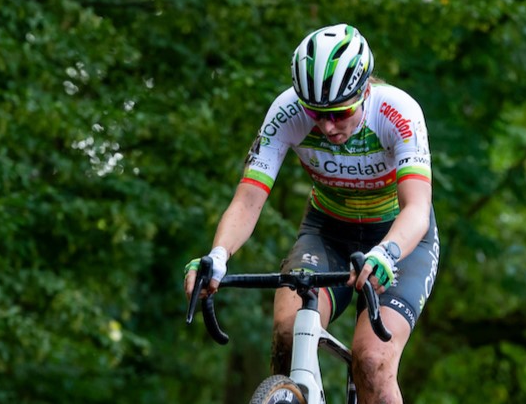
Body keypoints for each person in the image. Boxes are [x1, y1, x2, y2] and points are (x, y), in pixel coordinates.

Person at [184, 23, 440, 403]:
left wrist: (386, 253)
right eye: (316, 113)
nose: (327, 126)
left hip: (399, 239)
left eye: (339, 112)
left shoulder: (397, 112)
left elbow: (417, 209)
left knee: (371, 361)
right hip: (328, 232)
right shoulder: (286, 113)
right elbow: (248, 199)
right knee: (288, 332)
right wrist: (218, 254)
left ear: (365, 90)